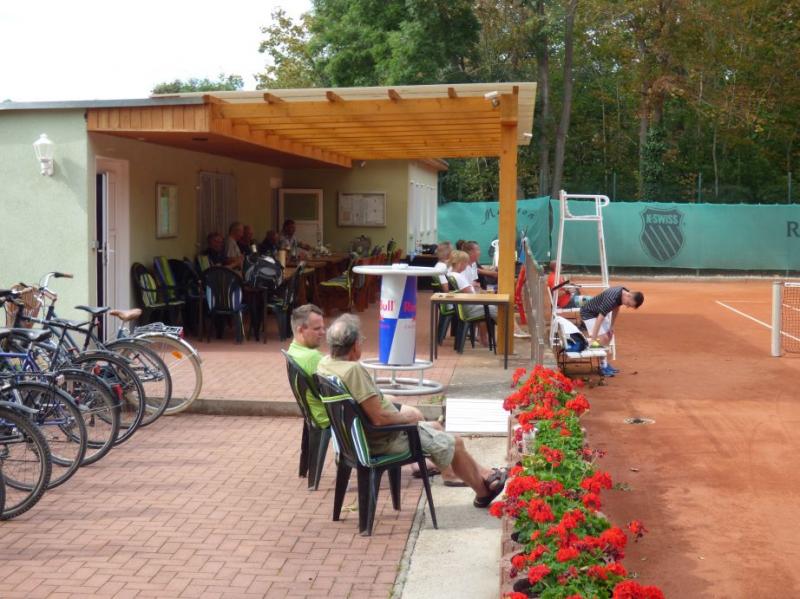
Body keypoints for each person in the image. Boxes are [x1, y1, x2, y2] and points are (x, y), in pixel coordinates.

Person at [316, 314, 508, 507]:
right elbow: (379, 418)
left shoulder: (325, 364)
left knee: (436, 428)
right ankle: (483, 493)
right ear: (355, 345)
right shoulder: (353, 371)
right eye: (361, 341)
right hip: (383, 440)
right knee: (454, 442)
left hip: (355, 441)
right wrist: (407, 418)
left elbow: (368, 405)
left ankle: (486, 474)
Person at [580, 286, 644, 377]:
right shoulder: (611, 299)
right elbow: (599, 319)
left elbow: (616, 308)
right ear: (629, 295)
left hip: (598, 312)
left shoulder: (624, 293)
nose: (627, 306)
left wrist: (611, 326)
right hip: (588, 313)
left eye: (629, 306)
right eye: (628, 304)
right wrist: (593, 339)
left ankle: (605, 362)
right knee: (603, 338)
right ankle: (602, 366)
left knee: (609, 335)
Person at [286, 304, 330, 428]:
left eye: (323, 328)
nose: (323, 332)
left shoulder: (292, 350)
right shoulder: (312, 358)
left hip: (314, 419)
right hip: (329, 421)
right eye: (317, 329)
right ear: (300, 330)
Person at [448, 250, 497, 346]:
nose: (466, 266)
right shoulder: (458, 277)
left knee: (488, 309)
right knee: (497, 309)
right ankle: (498, 338)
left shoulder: (451, 274)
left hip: (464, 308)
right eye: (466, 263)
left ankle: (484, 338)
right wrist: (483, 295)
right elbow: (471, 295)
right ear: (460, 263)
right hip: (468, 309)